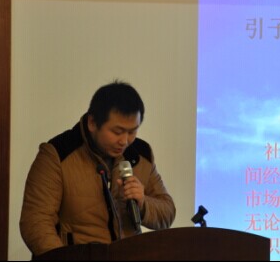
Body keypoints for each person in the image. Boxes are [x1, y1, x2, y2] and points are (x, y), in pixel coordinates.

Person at [20, 81, 176, 257]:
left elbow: (167, 213)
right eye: (117, 132)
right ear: (93, 123)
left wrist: (143, 202)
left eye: (132, 131)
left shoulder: (141, 155)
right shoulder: (57, 154)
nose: (125, 141)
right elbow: (36, 223)